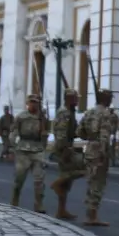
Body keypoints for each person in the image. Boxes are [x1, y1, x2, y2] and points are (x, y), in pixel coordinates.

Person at [79, 88, 118, 226]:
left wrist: (90, 138)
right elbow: (105, 135)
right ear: (105, 99)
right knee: (97, 183)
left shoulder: (89, 112)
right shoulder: (105, 114)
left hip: (90, 148)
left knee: (91, 181)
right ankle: (92, 215)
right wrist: (103, 152)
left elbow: (80, 131)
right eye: (110, 98)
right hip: (99, 151)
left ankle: (90, 213)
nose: (111, 100)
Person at [11, 94, 48, 212]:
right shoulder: (21, 117)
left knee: (39, 179)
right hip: (23, 150)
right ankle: (14, 200)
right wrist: (14, 145)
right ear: (27, 103)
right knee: (19, 178)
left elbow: (45, 133)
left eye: (36, 102)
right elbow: (14, 131)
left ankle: (39, 204)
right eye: (31, 102)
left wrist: (44, 140)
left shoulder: (42, 117)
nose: (33, 104)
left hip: (37, 150)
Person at [50, 88, 83, 220]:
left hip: (67, 146)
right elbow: (61, 133)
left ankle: (61, 210)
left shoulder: (70, 112)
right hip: (64, 149)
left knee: (66, 182)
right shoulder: (65, 113)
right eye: (75, 98)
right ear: (69, 99)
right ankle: (57, 183)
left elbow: (73, 131)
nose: (77, 100)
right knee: (84, 168)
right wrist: (65, 150)